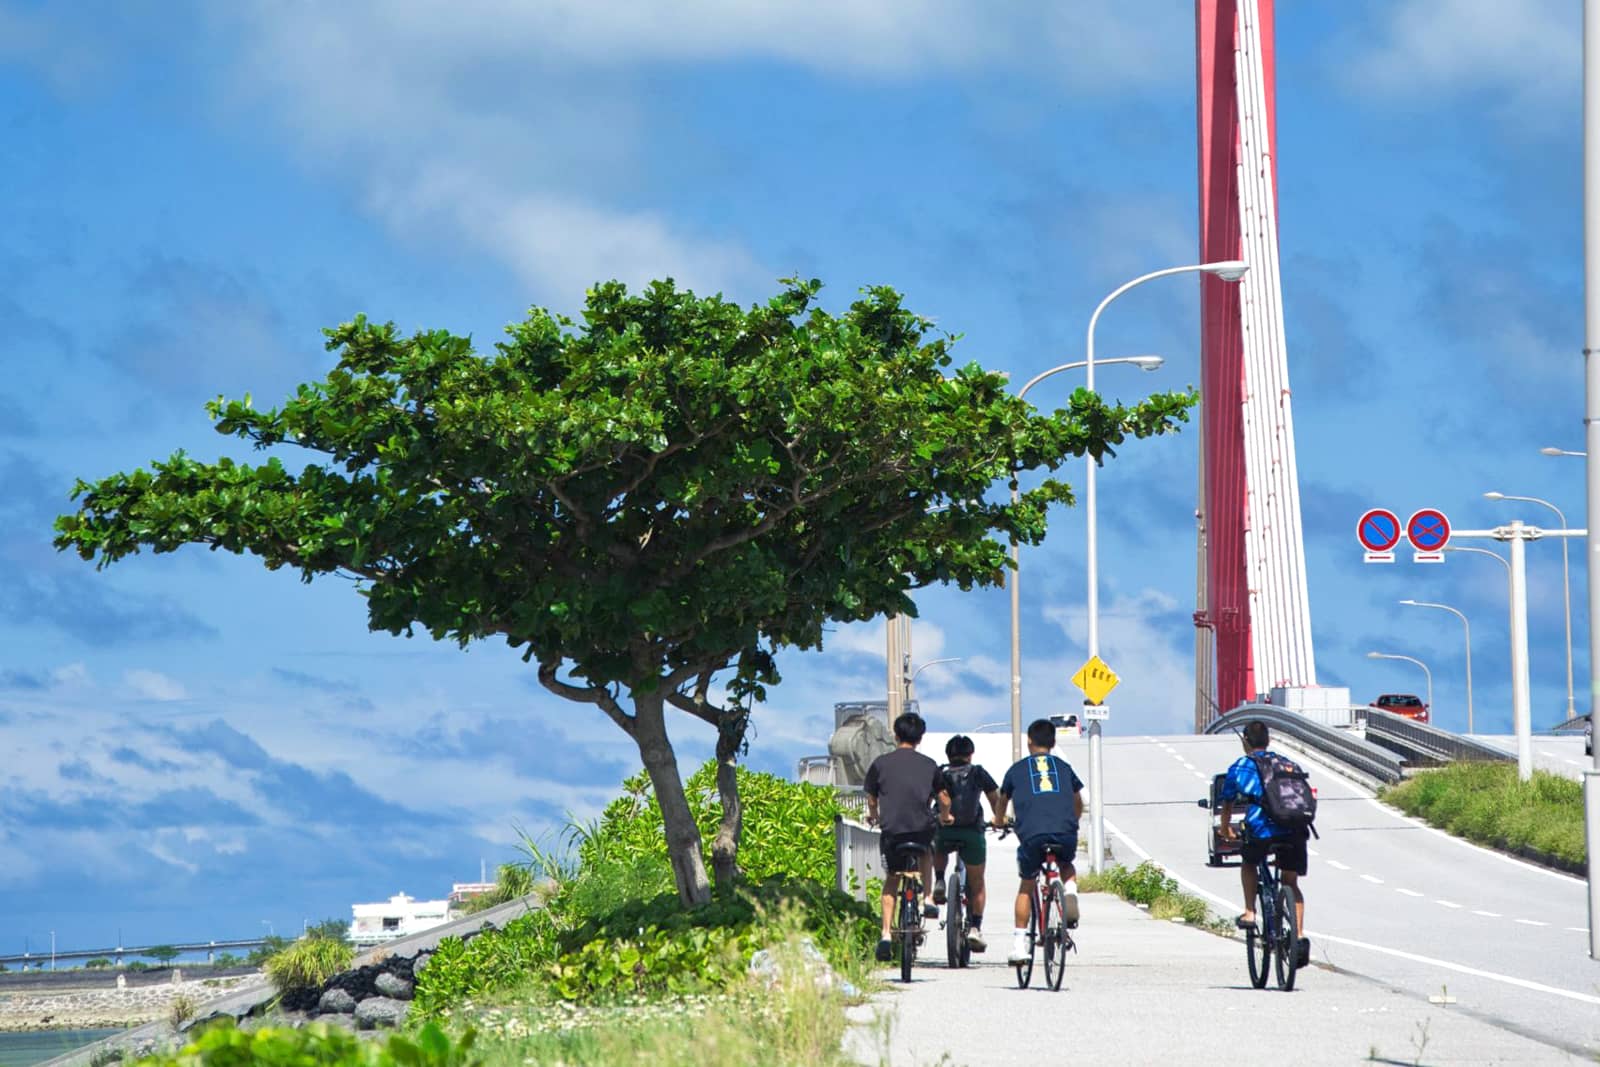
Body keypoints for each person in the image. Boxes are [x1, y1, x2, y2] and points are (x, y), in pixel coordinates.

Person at [1217, 720, 1311, 967]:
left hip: (1262, 829)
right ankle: (1299, 937)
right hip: (1295, 829)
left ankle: (1250, 911)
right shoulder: (1288, 763)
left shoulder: (1241, 766)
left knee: (1249, 862)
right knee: (1290, 882)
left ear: (1245, 741)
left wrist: (1226, 829)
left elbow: (1227, 802)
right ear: (1268, 740)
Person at [991, 717, 1084, 965]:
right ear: (1053, 743)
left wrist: (999, 820)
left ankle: (1020, 945)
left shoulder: (1017, 769)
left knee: (1027, 884)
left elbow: (1002, 799)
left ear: (1029, 741)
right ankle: (1070, 891)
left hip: (1032, 835)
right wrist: (1072, 821)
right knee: (1066, 865)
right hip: (1065, 833)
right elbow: (1078, 802)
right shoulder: (1064, 768)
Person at [864, 711, 949, 963]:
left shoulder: (880, 763)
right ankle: (927, 898)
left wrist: (874, 815)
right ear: (920, 738)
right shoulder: (929, 764)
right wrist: (945, 816)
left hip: (892, 831)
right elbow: (944, 798)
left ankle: (886, 934)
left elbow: (871, 797)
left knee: (892, 879)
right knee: (926, 851)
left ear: (895, 734)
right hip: (920, 830)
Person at [930, 734, 1002, 951]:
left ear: (948, 756)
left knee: (939, 844)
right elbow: (994, 798)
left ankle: (940, 880)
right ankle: (975, 928)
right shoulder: (978, 772)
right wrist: (999, 819)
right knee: (977, 882)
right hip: (972, 831)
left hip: (945, 828)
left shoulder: (940, 773)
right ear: (970, 755)